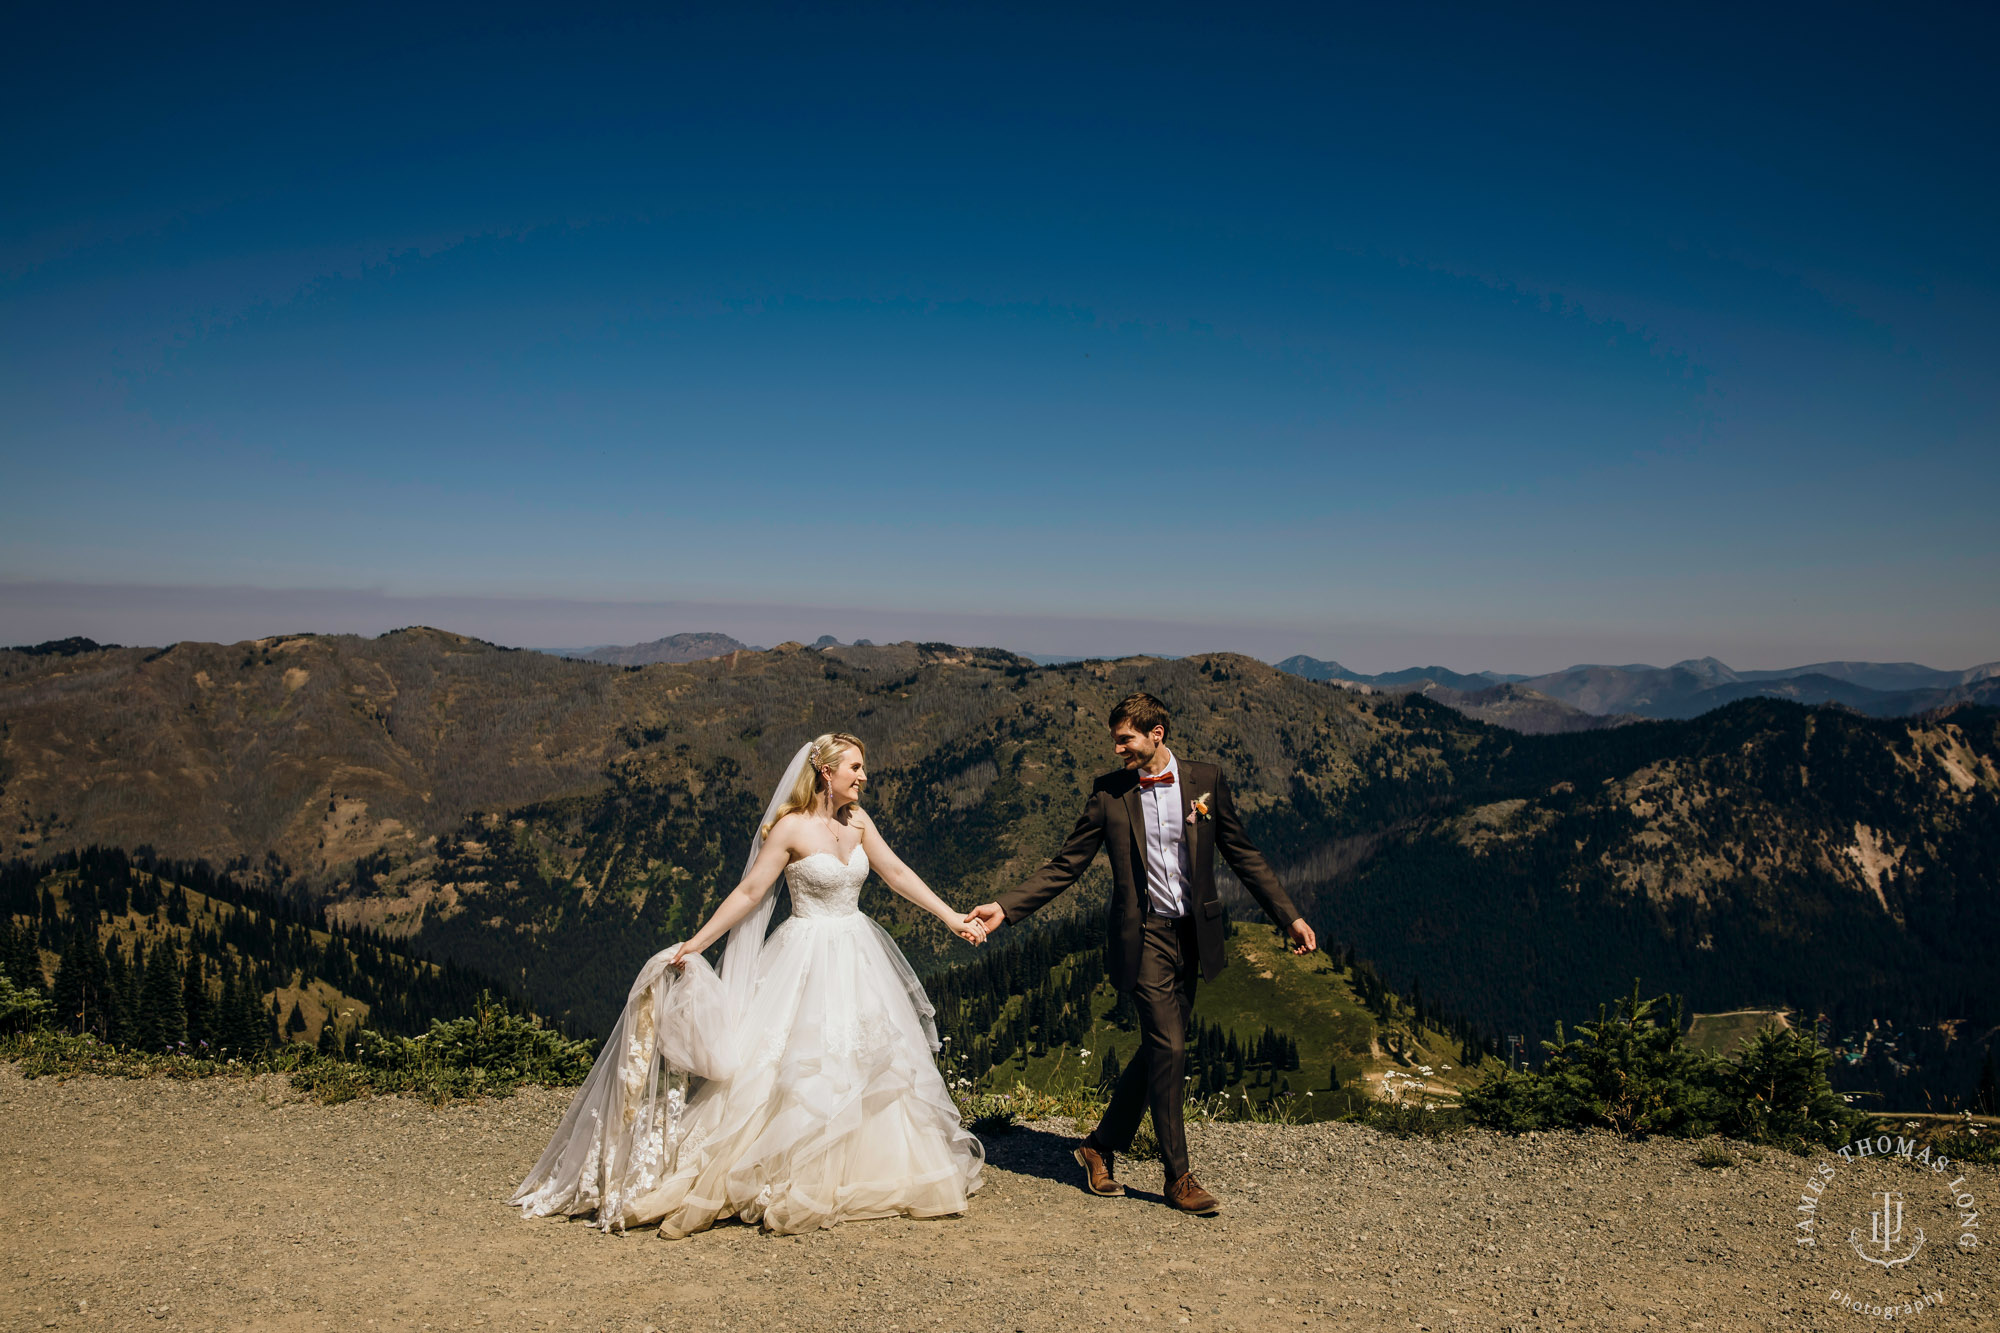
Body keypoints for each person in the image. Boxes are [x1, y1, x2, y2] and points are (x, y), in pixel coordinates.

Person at [513, 732, 989, 1237]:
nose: (864, 776)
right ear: (826, 773)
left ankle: (872, 1167)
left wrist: (950, 916)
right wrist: (696, 943)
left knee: (868, 1063)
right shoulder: (789, 828)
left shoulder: (859, 821)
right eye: (855, 767)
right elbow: (749, 892)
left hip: (858, 951)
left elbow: (895, 872)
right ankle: (786, 1168)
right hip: (804, 957)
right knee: (793, 1067)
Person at [968, 692, 1315, 1214]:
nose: (1118, 749)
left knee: (1159, 1048)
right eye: (1115, 740)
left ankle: (1099, 1145)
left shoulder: (1206, 781)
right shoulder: (1109, 794)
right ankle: (1179, 1177)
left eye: (1125, 739)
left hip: (1193, 935)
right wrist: (1005, 907)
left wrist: (1287, 914)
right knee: (1171, 1050)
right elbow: (1067, 865)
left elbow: (1242, 853)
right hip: (1145, 935)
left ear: (1157, 734)